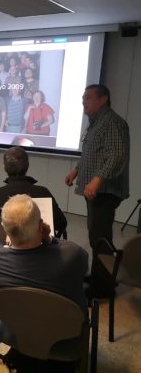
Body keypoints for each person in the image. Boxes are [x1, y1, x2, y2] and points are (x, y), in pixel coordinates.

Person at [65, 84, 130, 298]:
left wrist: (96, 180)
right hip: (95, 189)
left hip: (105, 190)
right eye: (83, 98)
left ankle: (103, 288)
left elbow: (115, 156)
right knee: (96, 236)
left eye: (89, 98)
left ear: (104, 99)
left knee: (100, 238)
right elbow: (92, 155)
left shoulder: (112, 122)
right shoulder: (95, 123)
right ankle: (99, 277)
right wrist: (76, 171)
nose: (84, 102)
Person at [0, 194, 88, 310]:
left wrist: (8, 243)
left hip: (14, 325)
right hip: (61, 325)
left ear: (4, 228)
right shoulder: (73, 255)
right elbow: (83, 265)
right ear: (41, 226)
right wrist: (49, 239)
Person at [0, 147, 67, 235]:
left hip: (9, 243)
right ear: (27, 166)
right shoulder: (43, 192)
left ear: (5, 168)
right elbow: (61, 223)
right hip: (40, 245)